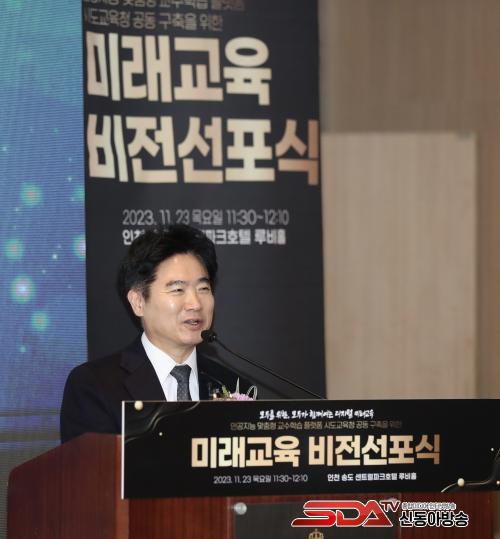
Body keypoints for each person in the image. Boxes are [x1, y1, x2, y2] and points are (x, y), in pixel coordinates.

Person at [60, 225, 252, 443]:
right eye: (178, 290)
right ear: (138, 302)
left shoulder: (234, 386)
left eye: (203, 289)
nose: (195, 303)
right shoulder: (95, 386)